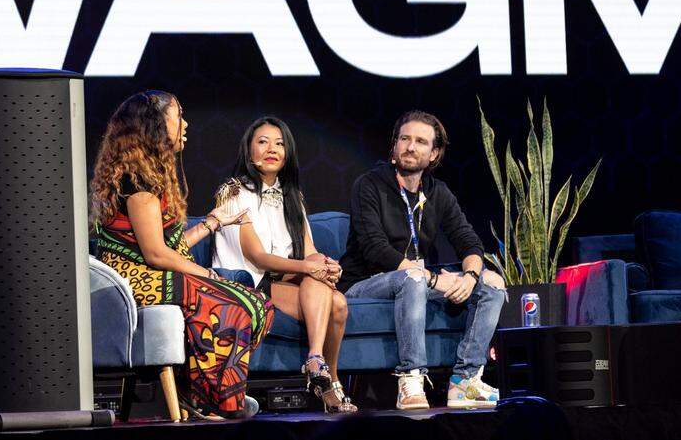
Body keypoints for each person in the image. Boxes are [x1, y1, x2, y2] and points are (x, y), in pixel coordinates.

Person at [90, 91, 274, 419]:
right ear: (156, 127)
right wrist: (203, 273)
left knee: (255, 301)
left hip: (151, 271)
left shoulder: (152, 175)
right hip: (131, 282)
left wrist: (213, 222)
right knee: (228, 305)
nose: (185, 124)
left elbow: (168, 248)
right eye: (179, 116)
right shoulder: (139, 183)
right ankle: (214, 398)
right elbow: (156, 254)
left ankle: (206, 391)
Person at [338, 110, 507, 410]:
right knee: (415, 277)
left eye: (420, 141)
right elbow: (375, 249)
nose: (410, 147)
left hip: (415, 281)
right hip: (364, 284)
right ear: (394, 147)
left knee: (492, 283)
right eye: (404, 139)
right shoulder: (369, 185)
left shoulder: (438, 192)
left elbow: (469, 242)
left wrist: (468, 278)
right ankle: (411, 379)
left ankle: (465, 381)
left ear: (434, 153)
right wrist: (432, 278)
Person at [210, 117, 357, 414]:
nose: (271, 149)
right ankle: (328, 377)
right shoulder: (234, 193)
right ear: (249, 150)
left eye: (279, 143)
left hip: (280, 280)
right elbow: (257, 258)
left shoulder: (293, 197)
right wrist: (309, 267)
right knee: (332, 297)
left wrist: (328, 266)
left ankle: (320, 367)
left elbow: (310, 250)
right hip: (246, 283)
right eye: (263, 142)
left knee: (337, 300)